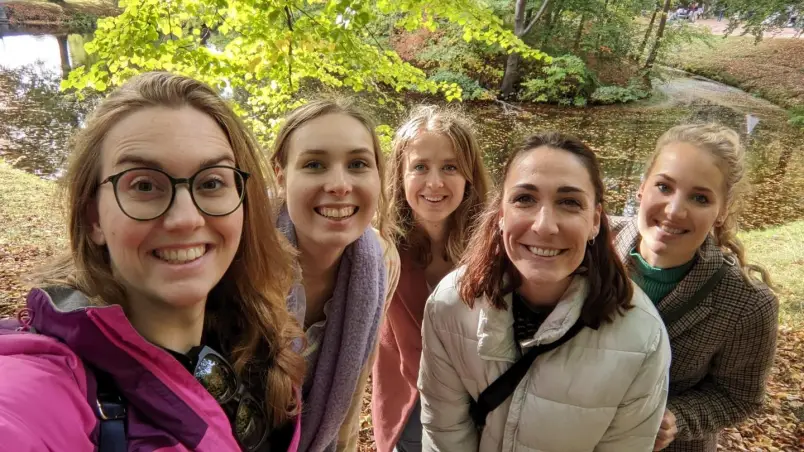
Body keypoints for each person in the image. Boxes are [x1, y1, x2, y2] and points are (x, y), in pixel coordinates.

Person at [0, 72, 305, 451]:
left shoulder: (254, 340)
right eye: (144, 185)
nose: (185, 219)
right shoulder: (45, 387)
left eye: (211, 183)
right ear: (94, 217)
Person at [418, 132, 671, 451]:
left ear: (594, 220)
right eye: (525, 198)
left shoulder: (642, 338)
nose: (544, 226)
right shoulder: (450, 305)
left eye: (569, 202)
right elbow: (445, 432)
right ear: (501, 215)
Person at [611, 124, 779, 452]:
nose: (675, 210)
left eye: (700, 197)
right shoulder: (590, 245)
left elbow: (740, 397)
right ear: (642, 188)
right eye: (664, 186)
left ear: (721, 211)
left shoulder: (748, 305)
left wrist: (678, 419)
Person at [270, 99, 401, 452]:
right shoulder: (237, 253)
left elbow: (349, 396)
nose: (340, 185)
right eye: (314, 164)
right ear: (281, 176)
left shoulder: (383, 263)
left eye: (358, 164)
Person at [372, 106, 491, 452]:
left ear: (468, 176)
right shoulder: (379, 245)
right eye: (420, 167)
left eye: (450, 167)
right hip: (408, 403)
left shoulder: (493, 245)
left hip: (478, 403)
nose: (435, 183)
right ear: (400, 176)